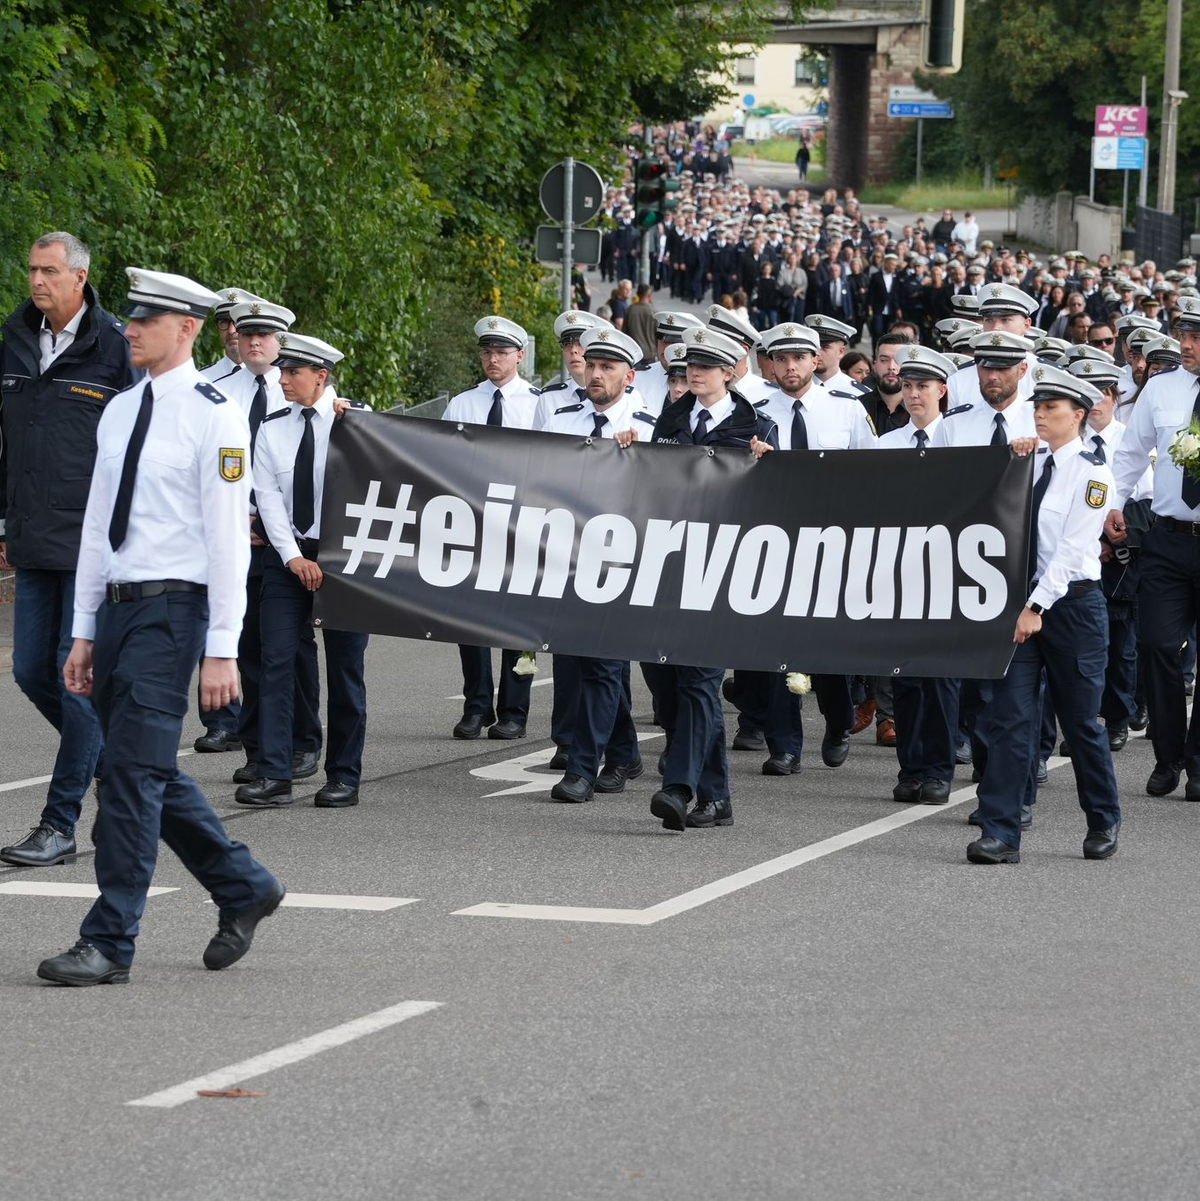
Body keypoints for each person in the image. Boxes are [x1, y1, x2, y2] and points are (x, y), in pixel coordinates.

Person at [38, 267, 283, 985]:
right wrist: (83, 629)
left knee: (127, 779)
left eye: (146, 320)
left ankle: (110, 940)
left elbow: (229, 539)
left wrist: (222, 647)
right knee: (139, 767)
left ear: (187, 328)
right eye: (131, 318)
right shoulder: (119, 411)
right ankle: (244, 885)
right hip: (116, 609)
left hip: (174, 611)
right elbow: (96, 528)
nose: (131, 329)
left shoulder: (215, 414)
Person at [0, 232, 134, 868]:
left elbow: (139, 447)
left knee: (74, 681)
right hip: (32, 538)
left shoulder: (115, 346)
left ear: (80, 277)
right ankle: (115, 763)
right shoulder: (14, 338)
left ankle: (59, 825)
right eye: (32, 269)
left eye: (50, 271)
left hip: (92, 544)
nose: (37, 281)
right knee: (30, 671)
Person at [968, 365, 1120, 864]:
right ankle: (1001, 832)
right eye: (1037, 406)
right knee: (1010, 718)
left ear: (1078, 415)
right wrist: (1011, 459)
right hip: (1024, 606)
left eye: (1051, 407)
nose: (1040, 414)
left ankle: (1103, 818)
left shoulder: (1093, 474)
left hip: (1072, 608)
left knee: (1080, 723)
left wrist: (1036, 606)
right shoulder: (1029, 463)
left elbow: (1073, 551)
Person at [645, 325, 777, 830]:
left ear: (729, 372)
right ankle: (717, 799)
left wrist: (770, 467)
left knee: (700, 680)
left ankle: (679, 786)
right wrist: (628, 450)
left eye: (703, 366)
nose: (693, 373)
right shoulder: (671, 418)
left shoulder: (758, 428)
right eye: (687, 366)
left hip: (724, 570)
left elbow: (778, 501)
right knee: (672, 682)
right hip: (670, 565)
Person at [236, 333, 368, 808]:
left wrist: (326, 558)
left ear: (321, 376)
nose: (283, 380)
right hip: (287, 556)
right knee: (276, 662)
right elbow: (269, 498)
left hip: (345, 559)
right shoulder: (272, 428)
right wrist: (293, 556)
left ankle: (344, 777)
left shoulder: (358, 423)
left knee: (345, 670)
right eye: (283, 371)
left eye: (293, 372)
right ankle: (275, 773)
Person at [216, 296, 324, 786]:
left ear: (280, 342)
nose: (254, 342)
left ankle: (302, 742)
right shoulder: (215, 391)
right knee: (250, 644)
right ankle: (259, 747)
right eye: (246, 333)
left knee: (292, 647)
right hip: (236, 537)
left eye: (264, 335)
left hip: (287, 540)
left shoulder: (301, 391)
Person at [544, 327, 655, 803]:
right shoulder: (561, 419)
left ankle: (582, 769)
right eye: (591, 365)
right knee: (585, 661)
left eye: (607, 367)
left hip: (619, 560)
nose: (595, 374)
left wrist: (639, 458)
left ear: (628, 377)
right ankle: (625, 752)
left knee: (604, 664)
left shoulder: (647, 425)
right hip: (569, 555)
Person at [1107, 295, 1200, 798]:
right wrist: (1113, 504)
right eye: (1184, 334)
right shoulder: (1162, 388)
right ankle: (1168, 754)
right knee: (1157, 644)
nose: (1186, 344)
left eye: (1196, 337)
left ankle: (1198, 761)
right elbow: (1130, 453)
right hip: (1168, 537)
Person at [443, 316, 541, 740]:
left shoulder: (539, 404)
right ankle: (476, 705)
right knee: (469, 622)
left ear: (520, 355)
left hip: (523, 526)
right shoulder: (463, 404)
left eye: (501, 352)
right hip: (473, 524)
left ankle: (515, 709)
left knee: (521, 627)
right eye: (487, 352)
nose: (493, 359)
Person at [875, 345, 959, 805]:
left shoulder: (960, 440)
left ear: (941, 390)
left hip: (946, 571)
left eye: (923, 386)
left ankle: (938, 768)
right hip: (901, 572)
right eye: (907, 386)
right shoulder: (886, 445)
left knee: (940, 678)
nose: (913, 395)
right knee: (904, 676)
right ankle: (910, 767)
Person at [200, 287, 249, 382]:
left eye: (237, 322)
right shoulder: (203, 379)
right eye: (224, 322)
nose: (231, 330)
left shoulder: (275, 380)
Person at [623, 284, 658, 361]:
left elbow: (624, 333)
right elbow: (658, 336)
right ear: (650, 295)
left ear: (637, 294)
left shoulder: (630, 310)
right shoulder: (654, 312)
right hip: (650, 354)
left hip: (633, 353)